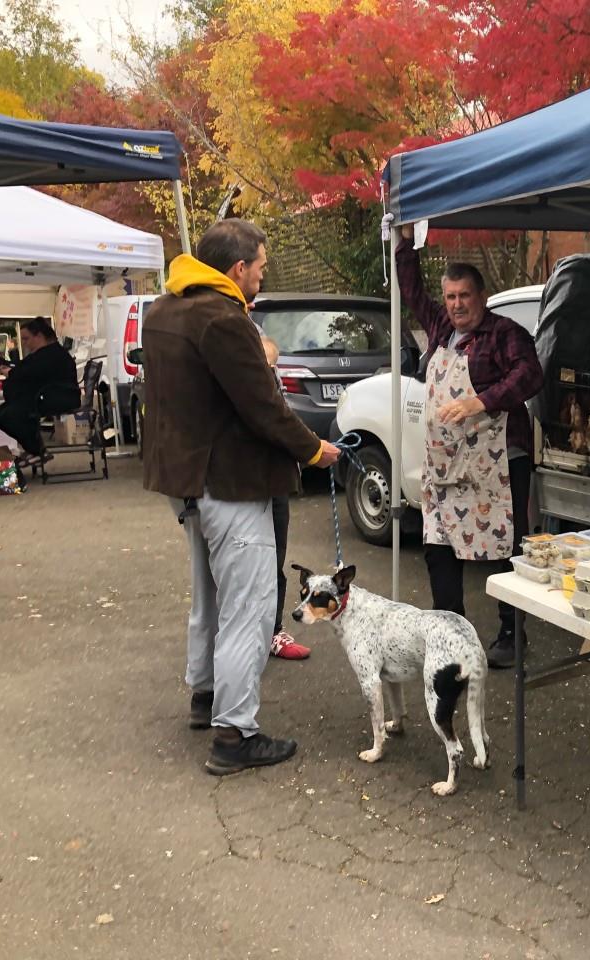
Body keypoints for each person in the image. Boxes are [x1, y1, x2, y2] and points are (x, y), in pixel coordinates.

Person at [142, 218, 340, 776]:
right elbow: (263, 408)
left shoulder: (164, 312)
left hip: (187, 482)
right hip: (228, 482)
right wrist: (313, 451)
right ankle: (234, 734)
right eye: (260, 265)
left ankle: (205, 697)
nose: (262, 272)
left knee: (209, 596)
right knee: (250, 608)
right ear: (237, 269)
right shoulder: (222, 320)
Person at [395, 225, 544, 669]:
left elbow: (530, 375)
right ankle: (451, 633)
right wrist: (404, 244)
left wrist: (479, 401)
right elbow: (411, 291)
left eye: (465, 296)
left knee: (505, 548)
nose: (457, 304)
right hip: (446, 468)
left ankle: (511, 636)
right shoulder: (440, 328)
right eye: (451, 296)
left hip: (497, 465)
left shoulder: (506, 334)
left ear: (481, 296)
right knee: (438, 546)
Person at [260, 334, 311, 660]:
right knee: (251, 568)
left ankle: (274, 631)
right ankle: (252, 635)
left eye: (274, 367)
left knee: (275, 560)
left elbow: (285, 424)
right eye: (266, 367)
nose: (272, 373)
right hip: (246, 487)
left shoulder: (275, 392)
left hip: (275, 483)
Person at [0, 318, 79, 465]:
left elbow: (30, 373)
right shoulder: (46, 353)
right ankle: (34, 448)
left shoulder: (52, 354)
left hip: (57, 398)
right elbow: (27, 371)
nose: (24, 343)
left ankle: (36, 450)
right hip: (45, 396)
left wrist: (12, 374)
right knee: (4, 412)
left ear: (39, 336)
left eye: (26, 338)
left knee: (9, 414)